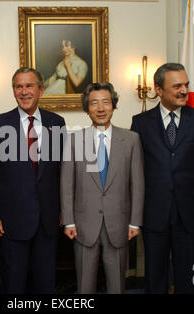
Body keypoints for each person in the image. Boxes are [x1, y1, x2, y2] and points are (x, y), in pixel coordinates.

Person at [131, 63, 194, 294]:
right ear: (158, 90)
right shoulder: (140, 123)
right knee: (155, 276)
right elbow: (136, 169)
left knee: (186, 278)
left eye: (186, 85)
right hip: (154, 213)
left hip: (189, 213)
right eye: (177, 86)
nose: (184, 90)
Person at [0, 67, 66, 293]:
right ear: (13, 90)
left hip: (48, 220)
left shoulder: (56, 122)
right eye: (18, 86)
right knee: (13, 282)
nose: (24, 91)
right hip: (11, 222)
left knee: (45, 282)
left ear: (41, 89)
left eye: (29, 86)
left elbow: (61, 171)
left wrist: (63, 209)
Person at [60, 83, 144, 293]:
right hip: (83, 225)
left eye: (106, 102)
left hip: (120, 224)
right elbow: (67, 184)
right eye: (94, 103)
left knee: (117, 285)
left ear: (113, 106)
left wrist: (135, 221)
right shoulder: (73, 140)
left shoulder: (131, 140)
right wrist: (68, 220)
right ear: (87, 108)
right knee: (84, 286)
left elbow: (138, 183)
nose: (100, 108)